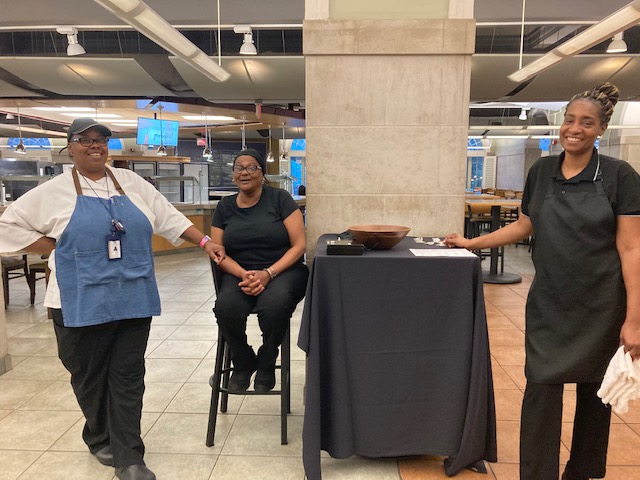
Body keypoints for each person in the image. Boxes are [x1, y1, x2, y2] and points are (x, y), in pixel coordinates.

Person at [0, 118, 225, 480]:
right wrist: (55, 247)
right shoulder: (53, 191)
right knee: (88, 377)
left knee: (128, 376)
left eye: (101, 140)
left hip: (132, 295)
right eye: (85, 140)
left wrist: (204, 242)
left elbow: (168, 218)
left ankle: (129, 456)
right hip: (78, 301)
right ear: (69, 147)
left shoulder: (132, 183)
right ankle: (98, 433)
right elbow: (6, 227)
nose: (95, 146)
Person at [444, 83, 640, 480]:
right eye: (570, 119)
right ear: (561, 124)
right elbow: (525, 224)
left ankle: (581, 471)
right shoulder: (542, 171)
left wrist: (634, 319)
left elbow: (632, 249)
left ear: (601, 130)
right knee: (541, 389)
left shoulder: (620, 176)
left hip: (603, 304)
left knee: (594, 396)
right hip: (550, 300)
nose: (575, 128)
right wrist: (471, 242)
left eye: (587, 122)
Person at [211, 148, 308, 393]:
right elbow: (217, 251)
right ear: (233, 174)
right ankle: (243, 361)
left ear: (262, 173)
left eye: (251, 167)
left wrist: (268, 273)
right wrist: (244, 274)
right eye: (239, 168)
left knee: (275, 305)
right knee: (226, 308)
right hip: (238, 273)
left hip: (282, 271)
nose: (245, 172)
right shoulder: (224, 207)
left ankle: (266, 359)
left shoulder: (280, 199)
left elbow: (299, 245)